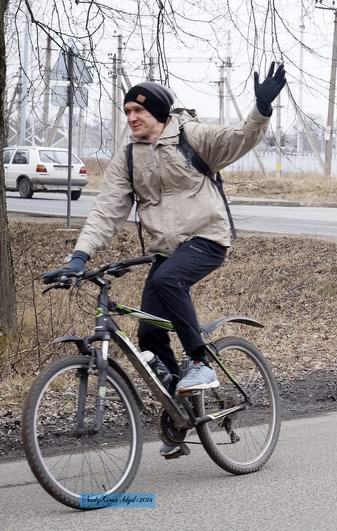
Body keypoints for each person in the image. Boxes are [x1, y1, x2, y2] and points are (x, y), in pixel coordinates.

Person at [43, 63, 286, 457]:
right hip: (165, 251)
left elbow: (240, 138)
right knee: (149, 336)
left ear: (157, 112)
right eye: (127, 112)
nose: (132, 118)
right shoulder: (129, 157)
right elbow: (107, 209)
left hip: (207, 238)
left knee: (165, 281)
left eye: (138, 111)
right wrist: (79, 256)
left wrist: (260, 108)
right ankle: (180, 410)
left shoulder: (192, 136)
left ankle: (199, 363)